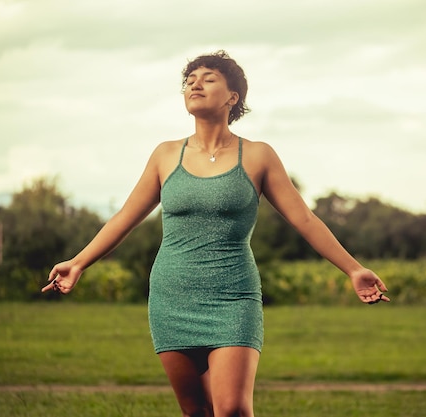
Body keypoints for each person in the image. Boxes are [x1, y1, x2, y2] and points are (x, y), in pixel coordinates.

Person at [42, 50, 390, 417]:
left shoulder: (257, 156)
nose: (195, 83)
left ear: (232, 97)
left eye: (208, 78)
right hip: (171, 297)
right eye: (189, 79)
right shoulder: (165, 155)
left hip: (232, 297)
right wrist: (78, 263)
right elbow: (125, 217)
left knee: (234, 410)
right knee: (196, 412)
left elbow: (304, 220)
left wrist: (353, 269)